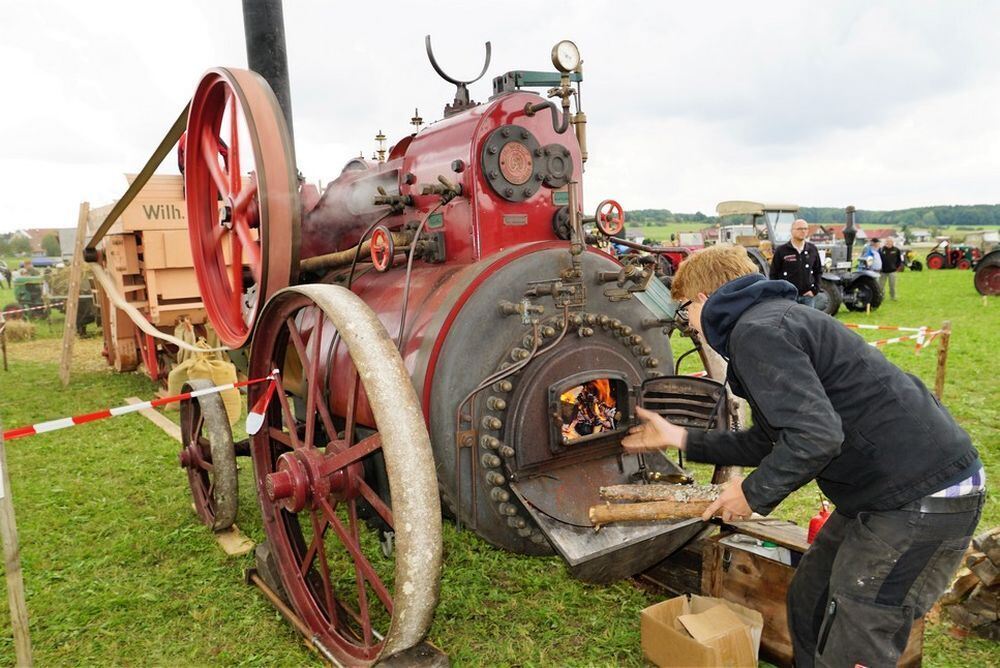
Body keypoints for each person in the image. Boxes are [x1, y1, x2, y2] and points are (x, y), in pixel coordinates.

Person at [622, 244, 984, 667]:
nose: (690, 327)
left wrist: (752, 494)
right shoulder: (766, 324)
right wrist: (681, 437)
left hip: (923, 495)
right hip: (880, 493)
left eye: (685, 311)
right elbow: (770, 440)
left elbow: (817, 436)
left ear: (704, 298)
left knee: (859, 626)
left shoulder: (759, 330)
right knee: (810, 595)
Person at [768, 219, 822, 308]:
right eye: (800, 229)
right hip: (788, 297)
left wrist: (814, 290)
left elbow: (818, 271)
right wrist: (779, 293)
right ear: (792, 231)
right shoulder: (781, 250)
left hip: (807, 297)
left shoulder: (812, 249)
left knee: (807, 321)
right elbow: (774, 274)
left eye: (805, 228)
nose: (803, 231)